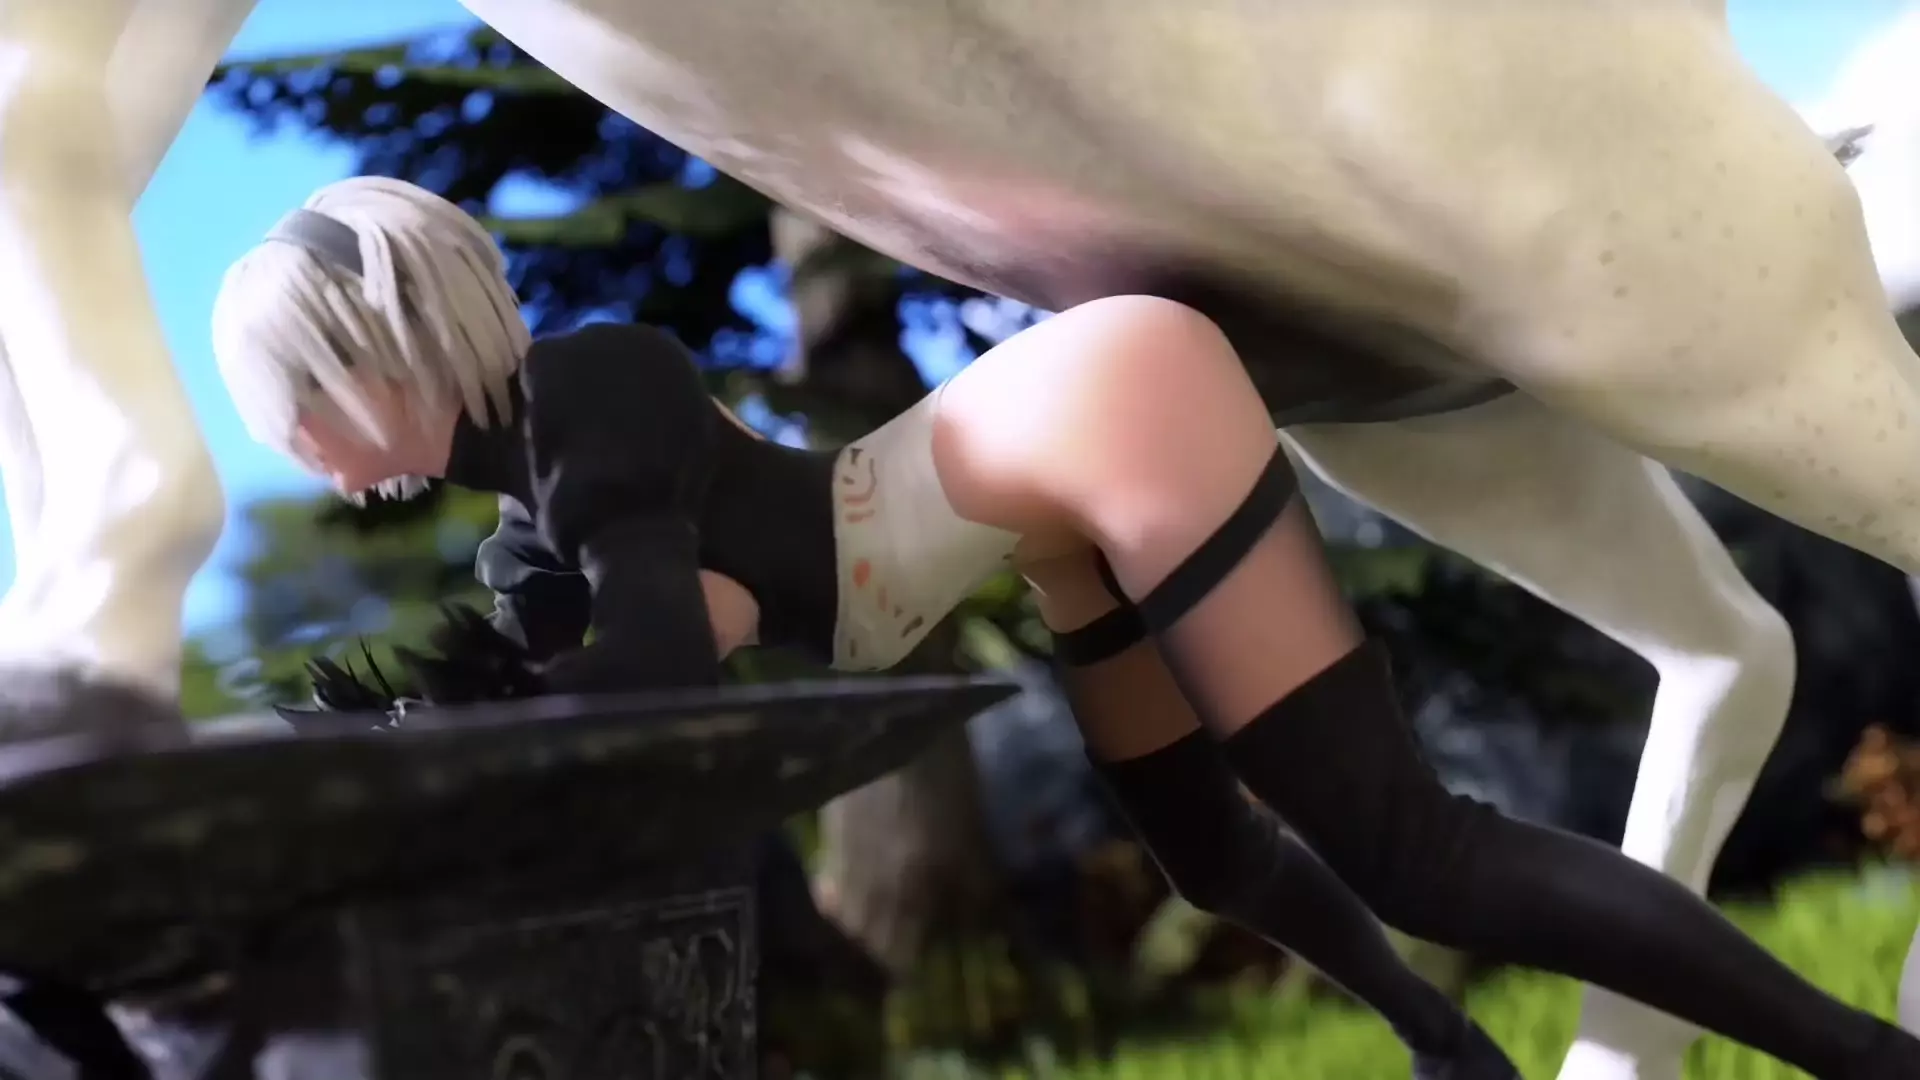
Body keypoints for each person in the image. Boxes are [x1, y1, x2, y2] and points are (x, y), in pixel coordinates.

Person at [213, 175, 1920, 1079]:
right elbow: (584, 701)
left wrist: (454, 739)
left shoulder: (595, 396)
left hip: (1104, 412)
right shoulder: (528, 534)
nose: (303, 457)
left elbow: (649, 672)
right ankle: (1446, 1044)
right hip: (1035, 521)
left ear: (377, 353)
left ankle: (1866, 1056)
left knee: (1412, 847)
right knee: (1211, 858)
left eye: (301, 410)